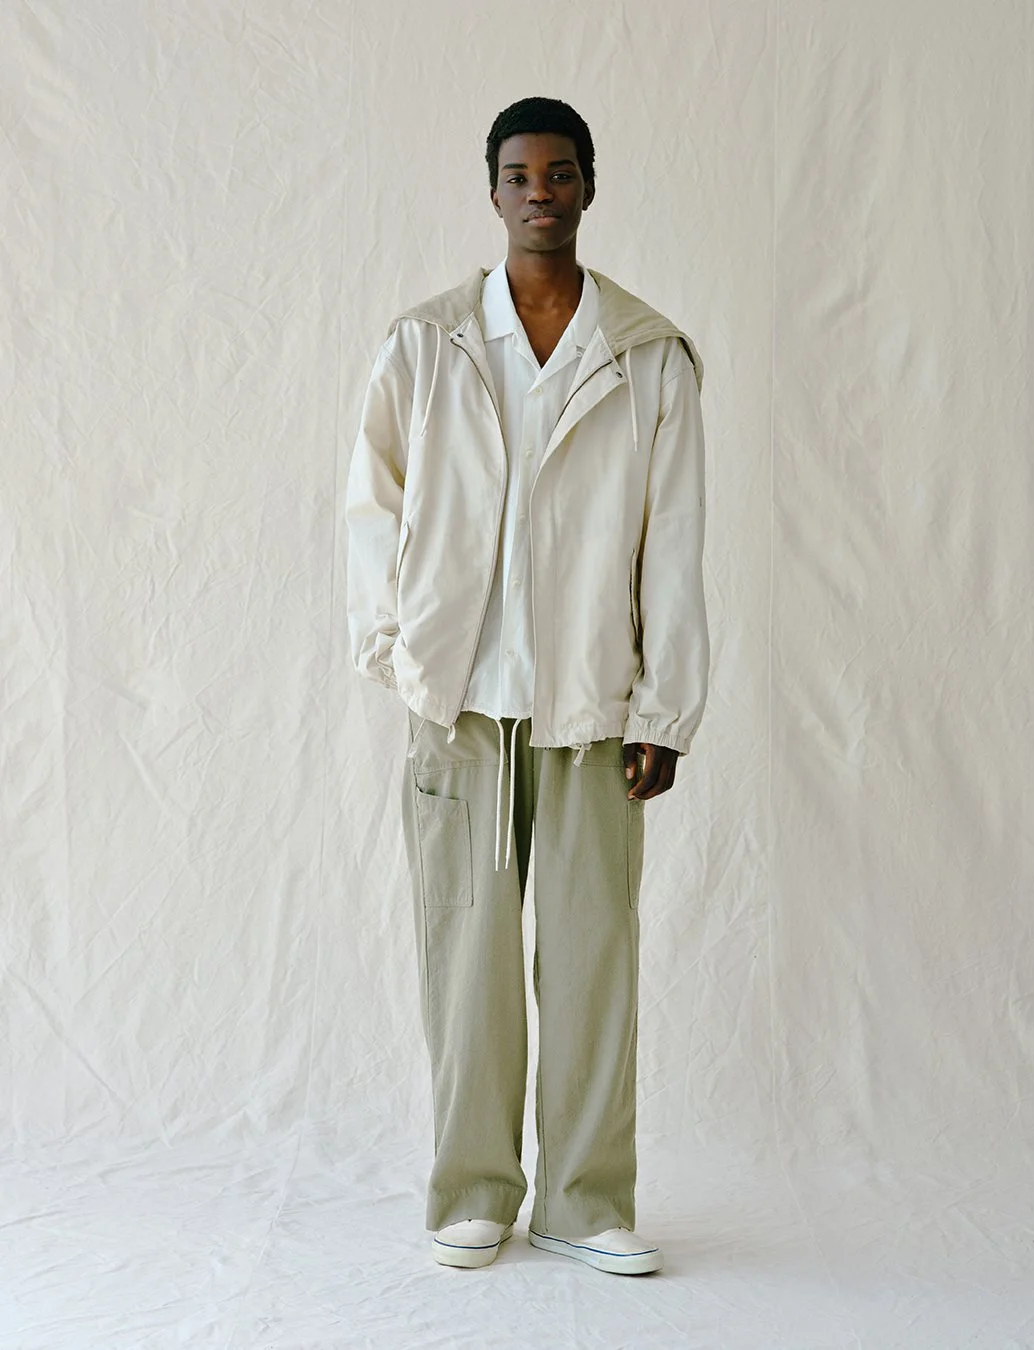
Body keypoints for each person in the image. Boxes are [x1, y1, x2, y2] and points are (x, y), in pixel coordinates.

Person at [345, 96, 708, 1275]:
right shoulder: (427, 344)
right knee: (466, 960)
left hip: (594, 711)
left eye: (560, 173)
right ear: (493, 190)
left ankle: (585, 1202)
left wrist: (664, 710)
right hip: (461, 708)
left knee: (595, 956)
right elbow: (371, 508)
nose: (540, 192)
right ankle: (473, 1191)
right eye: (519, 174)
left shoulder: (646, 355)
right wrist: (400, 654)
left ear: (590, 185)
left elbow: (674, 540)